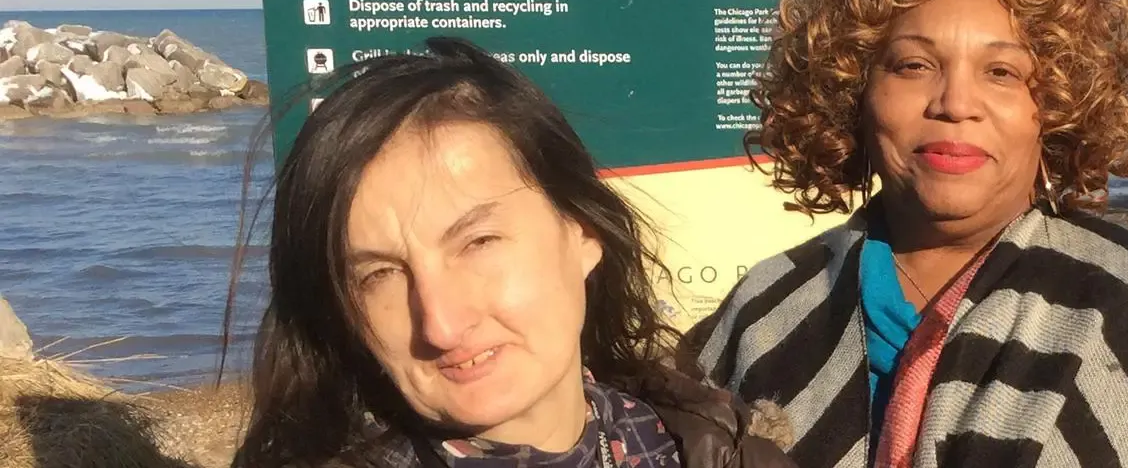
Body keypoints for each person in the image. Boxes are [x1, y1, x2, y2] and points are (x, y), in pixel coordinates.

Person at [679, 0, 1128, 468]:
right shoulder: (765, 312)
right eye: (914, 65)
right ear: (853, 93)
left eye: (1000, 72)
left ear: (1057, 108)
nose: (955, 103)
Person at [227, 37, 794, 468]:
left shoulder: (718, 449)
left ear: (582, 233)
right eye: (379, 274)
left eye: (478, 242)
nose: (441, 325)